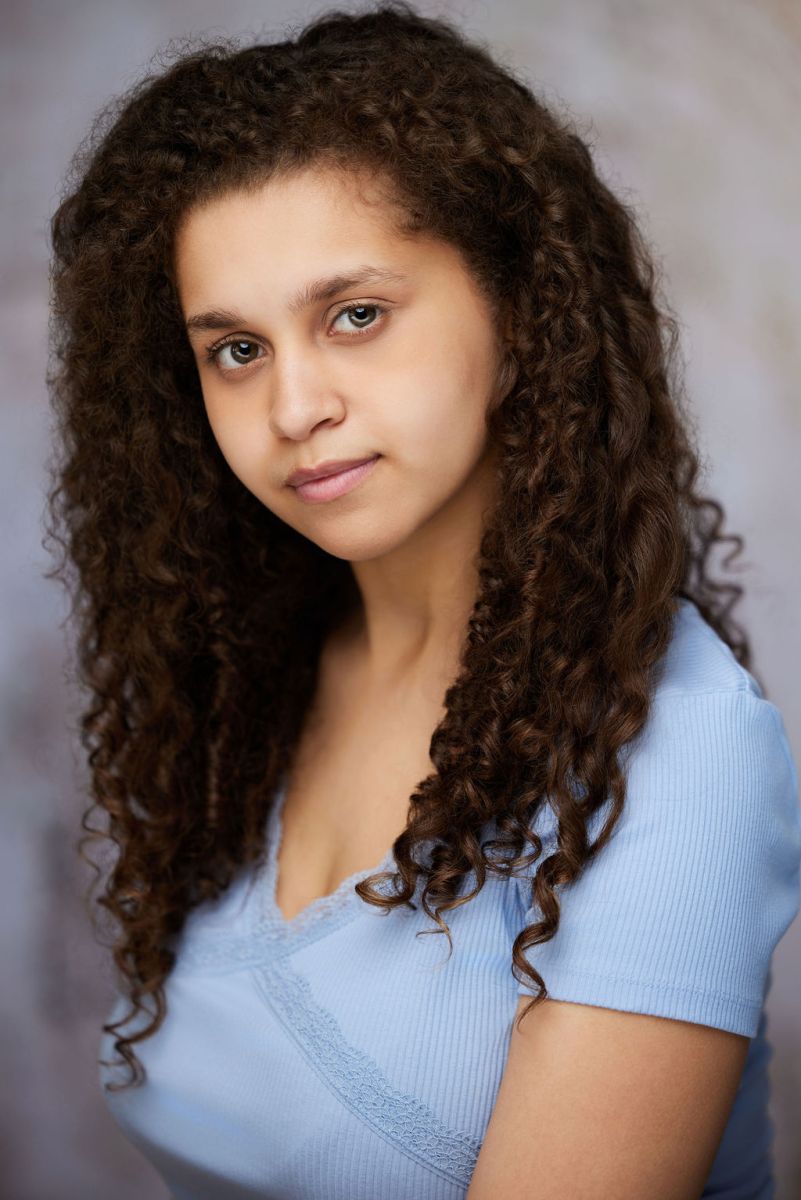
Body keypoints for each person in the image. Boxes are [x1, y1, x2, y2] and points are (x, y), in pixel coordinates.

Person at [45, 4, 801, 1198]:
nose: (295, 407)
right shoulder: (255, 680)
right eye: (236, 349)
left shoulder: (678, 753)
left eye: (355, 316)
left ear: (519, 317)